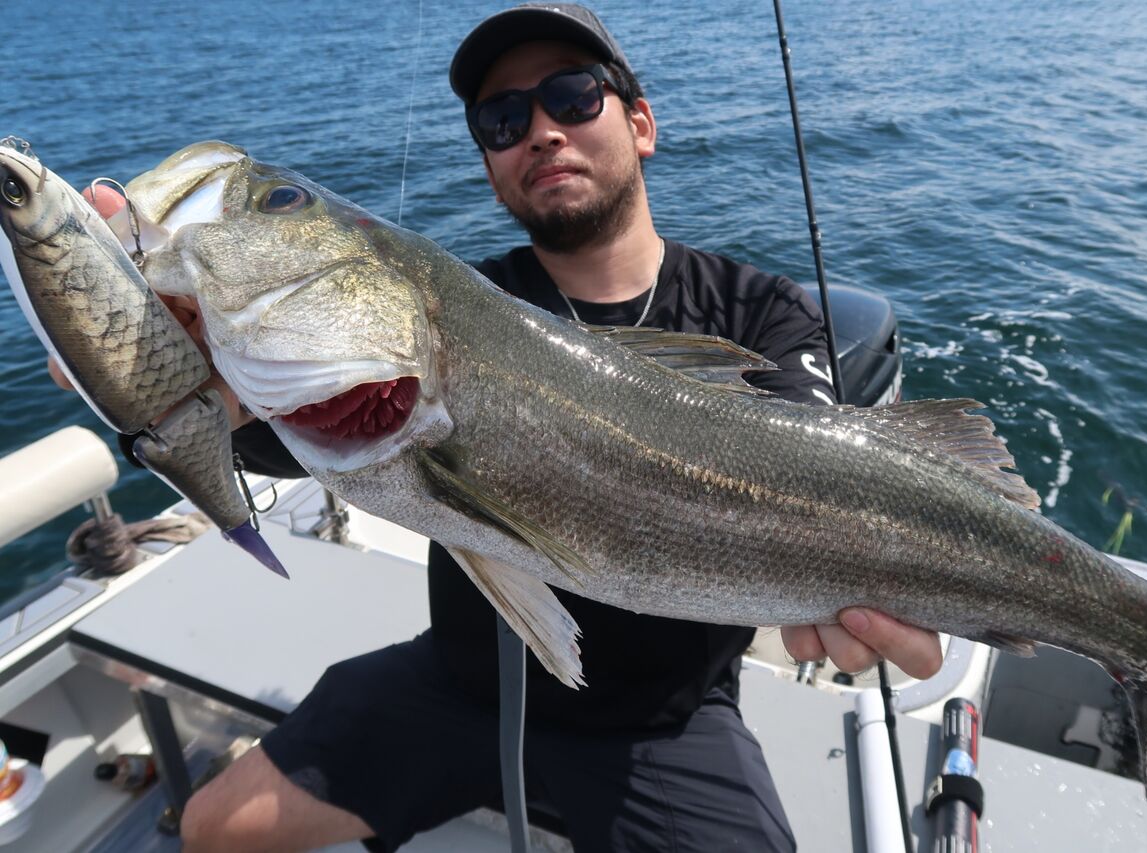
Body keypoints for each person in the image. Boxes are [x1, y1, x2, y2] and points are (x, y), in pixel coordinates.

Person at [57, 5, 942, 851]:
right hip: (458, 684)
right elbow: (277, 433)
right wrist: (174, 387)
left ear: (640, 123)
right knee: (214, 827)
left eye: (573, 96)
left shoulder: (762, 317)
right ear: (489, 164)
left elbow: (823, 479)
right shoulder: (451, 301)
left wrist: (883, 573)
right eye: (503, 119)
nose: (542, 132)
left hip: (659, 721)